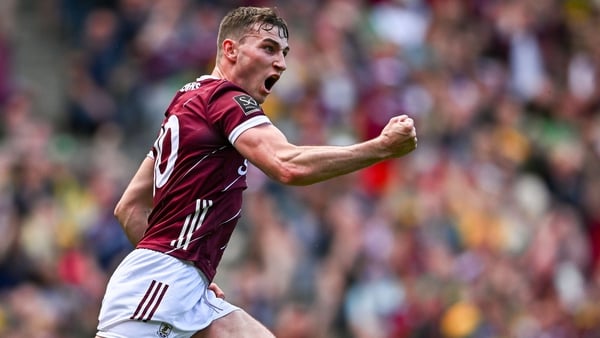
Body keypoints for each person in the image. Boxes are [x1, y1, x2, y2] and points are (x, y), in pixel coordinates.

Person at [95, 6, 417, 338]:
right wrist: (381, 148)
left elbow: (129, 207)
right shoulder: (227, 99)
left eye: (285, 53)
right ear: (230, 50)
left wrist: (192, 271)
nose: (281, 62)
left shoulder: (187, 101)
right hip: (156, 289)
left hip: (182, 287)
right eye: (268, 48)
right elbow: (287, 165)